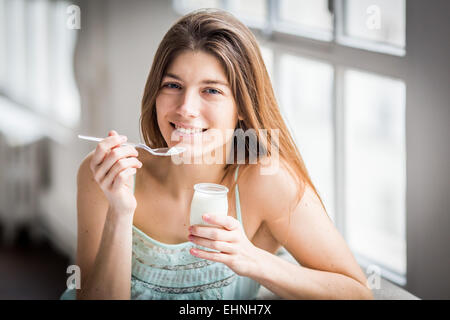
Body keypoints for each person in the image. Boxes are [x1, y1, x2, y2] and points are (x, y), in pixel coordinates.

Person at [61, 9, 373, 300]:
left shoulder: (267, 180)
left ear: (241, 106)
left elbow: (358, 292)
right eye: (173, 85)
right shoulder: (103, 175)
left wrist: (252, 259)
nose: (186, 108)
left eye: (211, 90)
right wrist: (119, 211)